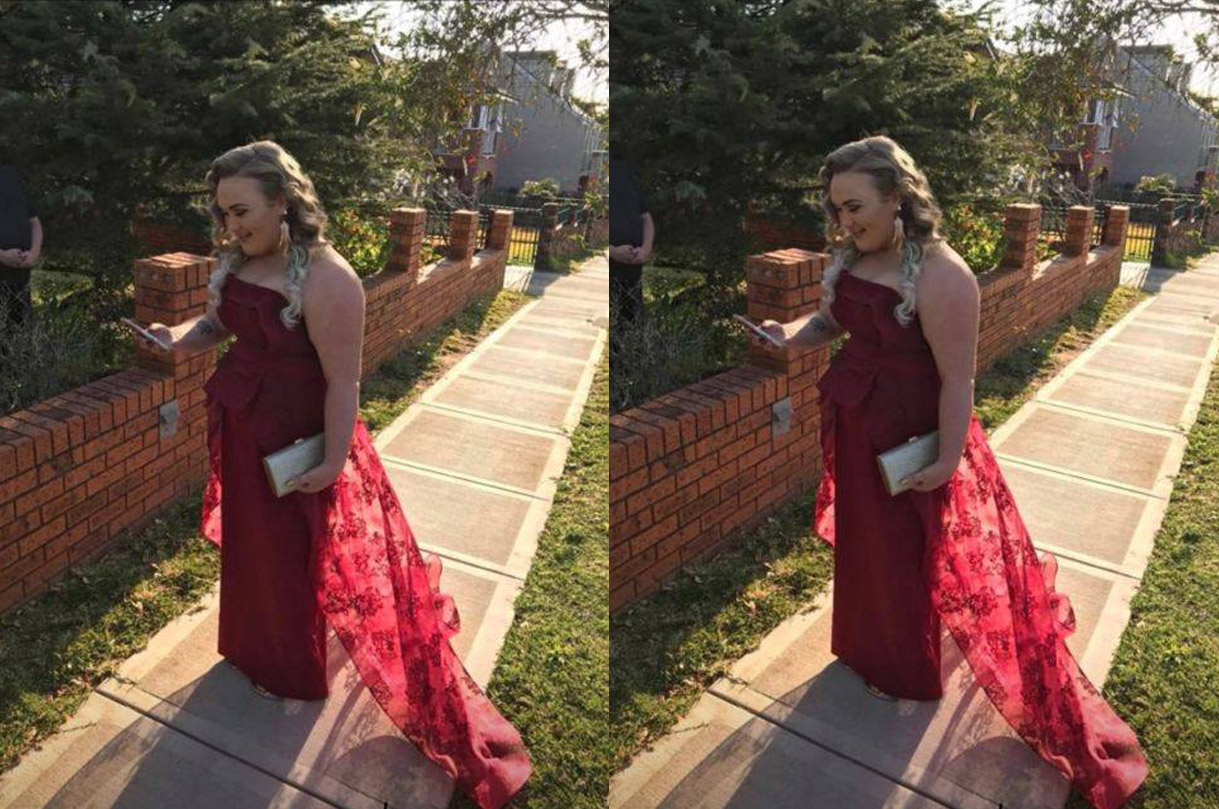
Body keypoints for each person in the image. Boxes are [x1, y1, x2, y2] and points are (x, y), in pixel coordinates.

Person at [749, 135, 1147, 809]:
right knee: (867, 548)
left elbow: (958, 378)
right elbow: (831, 323)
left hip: (910, 436)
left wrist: (945, 457)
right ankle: (863, 645)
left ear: (896, 198)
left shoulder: (943, 275)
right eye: (835, 208)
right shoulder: (855, 257)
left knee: (907, 553)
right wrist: (789, 336)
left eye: (854, 206)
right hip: (856, 424)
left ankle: (904, 671)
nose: (842, 221)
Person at [135, 141, 531, 809]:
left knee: (294, 555)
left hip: (296, 438)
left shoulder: (328, 279)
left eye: (241, 210)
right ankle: (249, 646)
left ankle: (290, 670)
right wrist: (176, 340)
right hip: (243, 425)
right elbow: (218, 326)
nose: (229, 225)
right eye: (222, 212)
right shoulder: (242, 260)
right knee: (254, 549)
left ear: (283, 202)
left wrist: (331, 458)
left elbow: (344, 381)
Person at [608, 158, 653, 337]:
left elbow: (646, 218)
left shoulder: (625, 172)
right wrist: (613, 251)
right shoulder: (601, 175)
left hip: (632, 276)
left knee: (631, 333)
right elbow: (588, 230)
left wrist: (646, 249)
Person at [0, 163, 42, 333]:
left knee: (20, 336)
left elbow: (34, 222)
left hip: (19, 280)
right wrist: (2, 256)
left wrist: (34, 253)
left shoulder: (10, 175)